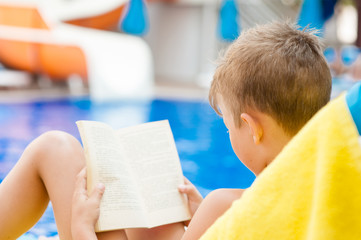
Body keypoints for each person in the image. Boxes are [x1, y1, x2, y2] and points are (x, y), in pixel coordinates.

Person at [0, 21, 332, 240]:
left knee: (55, 148)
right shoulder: (320, 202)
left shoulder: (225, 205)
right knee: (151, 215)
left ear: (251, 128)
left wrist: (82, 227)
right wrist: (206, 223)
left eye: (228, 122)